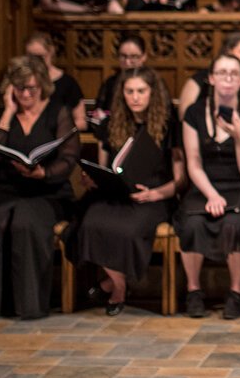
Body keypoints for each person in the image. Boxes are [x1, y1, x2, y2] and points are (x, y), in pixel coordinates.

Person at [0, 55, 78, 321]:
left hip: (46, 191)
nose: (26, 94)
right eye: (20, 88)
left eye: (31, 88)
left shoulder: (57, 111)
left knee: (25, 224)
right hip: (5, 189)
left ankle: (29, 306)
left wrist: (44, 172)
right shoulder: (1, 113)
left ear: (42, 85)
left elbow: (68, 158)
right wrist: (7, 112)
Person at [76, 67, 181, 317]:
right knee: (90, 222)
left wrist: (156, 194)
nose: (135, 97)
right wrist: (92, 179)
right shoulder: (112, 123)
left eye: (141, 91)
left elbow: (181, 179)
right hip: (116, 195)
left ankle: (111, 287)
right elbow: (103, 167)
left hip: (154, 198)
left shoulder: (168, 124)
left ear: (152, 93)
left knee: (128, 229)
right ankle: (120, 286)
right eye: (129, 91)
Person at [178, 52, 240, 319]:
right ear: (211, 78)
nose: (228, 78)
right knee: (192, 222)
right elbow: (193, 162)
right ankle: (194, 291)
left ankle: (236, 291)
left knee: (234, 223)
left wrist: (239, 136)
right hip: (204, 185)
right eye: (222, 73)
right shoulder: (194, 113)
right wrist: (211, 194)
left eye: (234, 74)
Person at [23, 32, 87, 131]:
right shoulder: (21, 83)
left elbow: (81, 122)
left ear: (51, 52)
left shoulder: (67, 83)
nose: (36, 62)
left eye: (40, 57)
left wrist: (59, 130)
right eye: (31, 57)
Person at [92, 34, 148, 129]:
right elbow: (99, 111)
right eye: (123, 56)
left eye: (133, 57)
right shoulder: (110, 83)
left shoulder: (153, 82)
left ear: (144, 57)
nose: (127, 62)